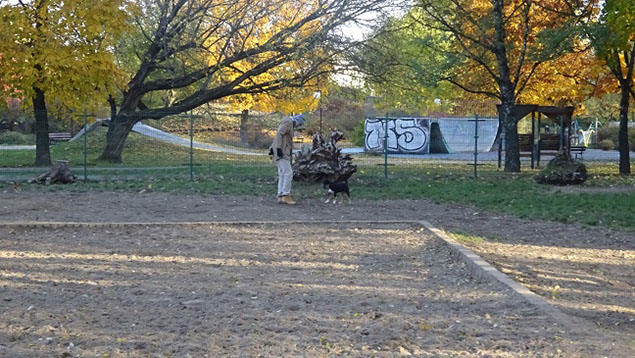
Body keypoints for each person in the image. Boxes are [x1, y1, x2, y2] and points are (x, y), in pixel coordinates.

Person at [269, 114, 305, 204]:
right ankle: (286, 195)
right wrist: (278, 149)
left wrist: (274, 149)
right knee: (288, 173)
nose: (298, 127)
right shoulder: (288, 122)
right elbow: (279, 134)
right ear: (297, 121)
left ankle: (280, 195)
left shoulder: (285, 122)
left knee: (282, 173)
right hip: (282, 151)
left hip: (280, 150)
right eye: (299, 124)